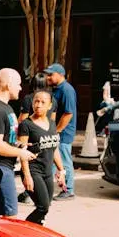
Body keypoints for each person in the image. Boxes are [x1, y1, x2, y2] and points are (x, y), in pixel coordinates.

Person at [0, 68, 35, 218]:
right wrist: (21, 153)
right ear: (8, 84)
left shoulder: (7, 108)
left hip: (1, 168)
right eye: (18, 84)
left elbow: (5, 139)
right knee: (9, 218)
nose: (20, 87)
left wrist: (17, 144)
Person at [18, 90, 66, 225]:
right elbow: (22, 151)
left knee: (45, 207)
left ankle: (36, 231)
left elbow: (54, 148)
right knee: (42, 207)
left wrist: (61, 171)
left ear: (50, 106)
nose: (38, 105)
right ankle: (25, 231)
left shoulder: (51, 124)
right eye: (36, 101)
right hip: (33, 171)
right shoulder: (26, 125)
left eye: (42, 102)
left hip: (47, 172)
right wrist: (27, 175)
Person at [46, 63, 77, 200]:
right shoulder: (57, 89)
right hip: (57, 132)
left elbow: (68, 114)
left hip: (63, 133)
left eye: (51, 74)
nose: (48, 77)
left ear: (60, 75)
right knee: (53, 161)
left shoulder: (66, 90)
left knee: (64, 160)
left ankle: (68, 190)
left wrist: (57, 130)